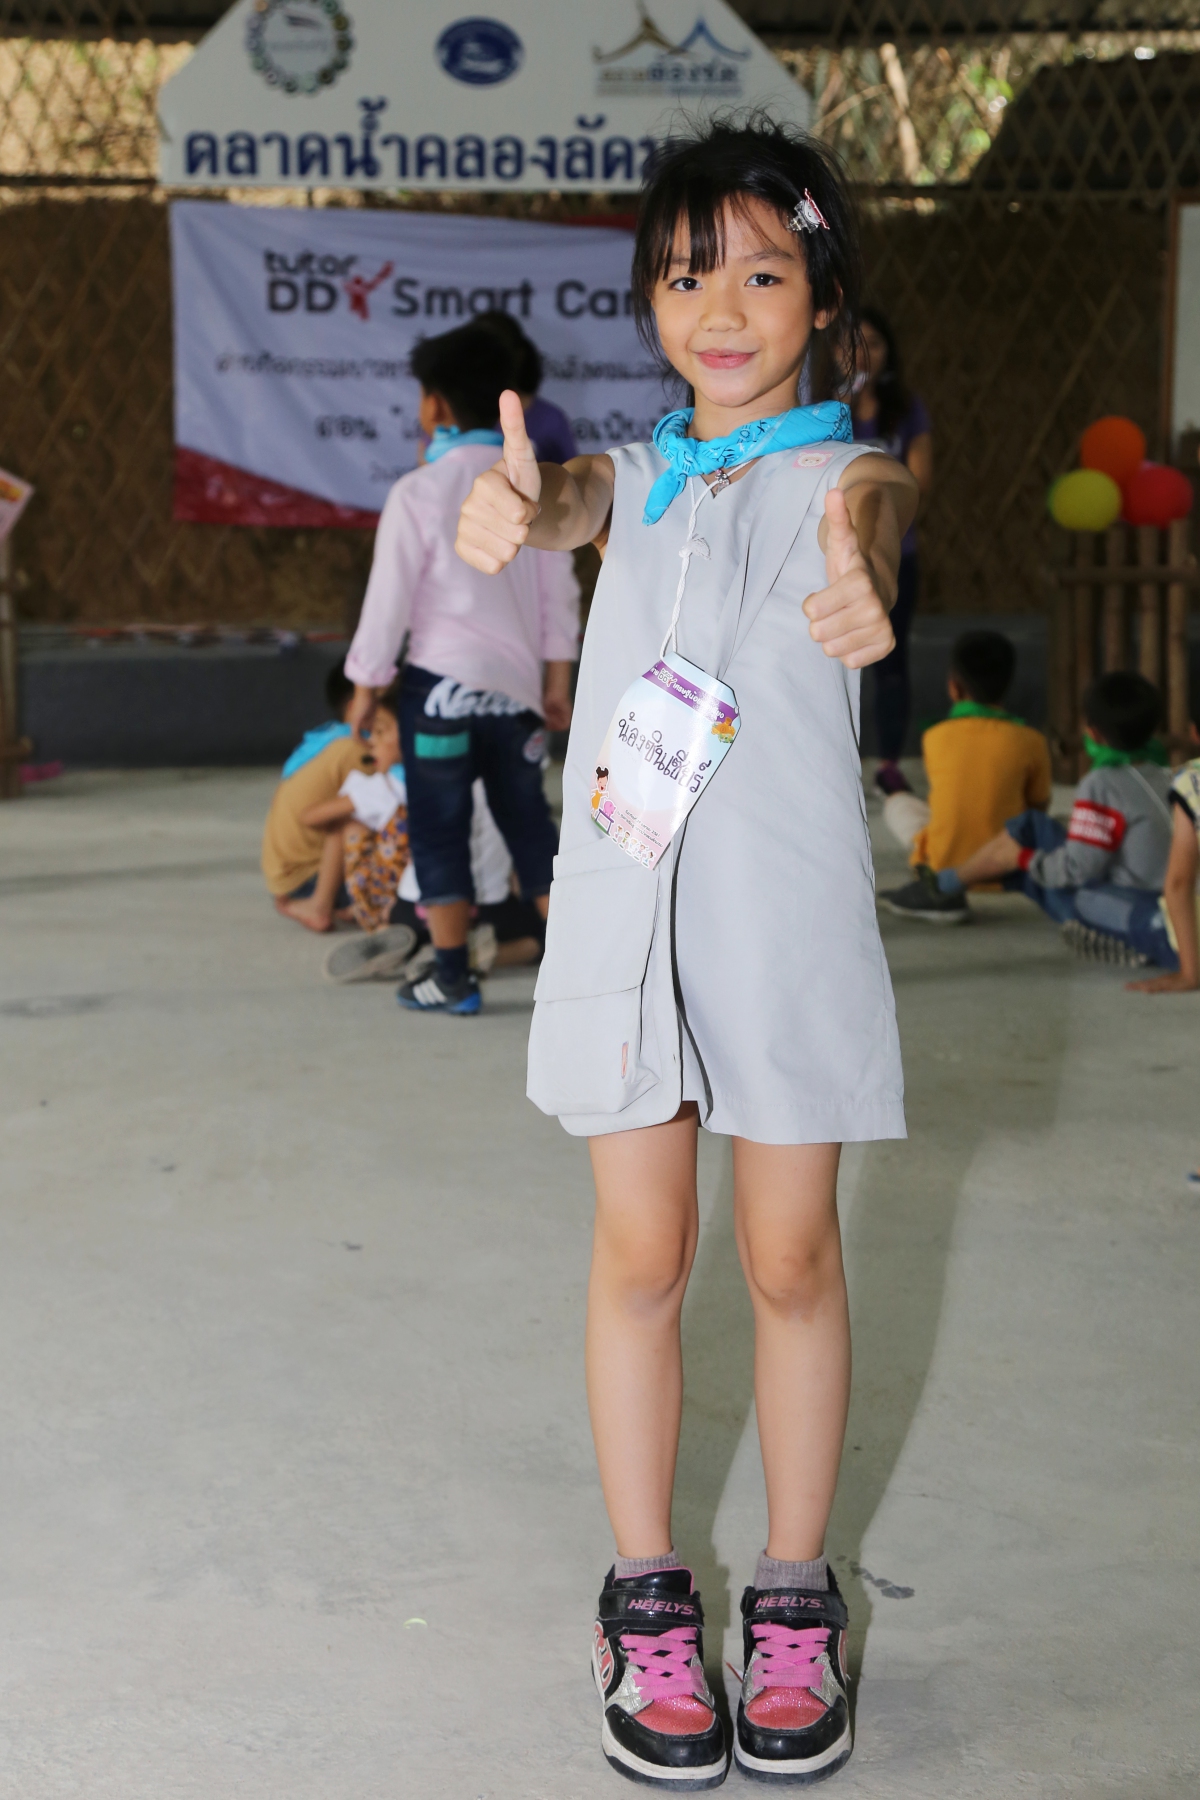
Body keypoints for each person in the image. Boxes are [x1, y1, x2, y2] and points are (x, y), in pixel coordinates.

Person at [457, 117, 917, 1787]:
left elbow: (876, 505)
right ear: (652, 301)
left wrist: (866, 568)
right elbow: (574, 497)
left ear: (825, 299)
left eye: (763, 275)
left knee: (790, 1259)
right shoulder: (633, 475)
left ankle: (795, 1595)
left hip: (782, 921)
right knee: (641, 1252)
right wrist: (529, 502)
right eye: (684, 276)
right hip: (627, 908)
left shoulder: (845, 473)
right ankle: (645, 1594)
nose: (720, 310)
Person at [344, 320, 580, 1015]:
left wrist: (365, 687)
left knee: (439, 829)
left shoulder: (418, 491)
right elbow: (558, 595)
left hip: (439, 695)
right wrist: (557, 683)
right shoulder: (531, 490)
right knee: (530, 827)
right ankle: (585, 975)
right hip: (516, 696)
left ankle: (452, 978)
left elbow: (387, 602)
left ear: (436, 404)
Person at [909, 672, 1174, 964]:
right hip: (1168, 902)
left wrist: (1022, 859)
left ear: (1093, 733)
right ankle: (945, 886)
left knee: (1025, 844)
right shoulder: (1167, 775)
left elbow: (1076, 870)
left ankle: (941, 888)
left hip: (1125, 907)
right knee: (1032, 826)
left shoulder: (1102, 784)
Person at [880, 629, 1052, 921]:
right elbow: (1038, 806)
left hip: (943, 865)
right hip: (1007, 865)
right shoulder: (1032, 740)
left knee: (898, 804)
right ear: (1007, 686)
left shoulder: (934, 737)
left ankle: (927, 871)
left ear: (954, 687)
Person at [851, 306, 932, 798]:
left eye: (875, 343)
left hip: (896, 555)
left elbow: (920, 481)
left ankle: (888, 764)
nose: (864, 353)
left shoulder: (906, 408)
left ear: (889, 352)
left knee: (890, 662)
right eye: (854, 342)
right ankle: (834, 764)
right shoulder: (820, 408)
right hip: (828, 557)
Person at [261, 661, 366, 931]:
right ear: (357, 706)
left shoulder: (328, 736)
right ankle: (325, 903)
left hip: (287, 878)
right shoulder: (356, 749)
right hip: (308, 878)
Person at [1127, 707, 1200, 995]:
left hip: (1195, 945)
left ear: (1194, 733)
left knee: (1092, 899)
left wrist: (1190, 974)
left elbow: (1179, 882)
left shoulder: (1192, 781)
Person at [474, 308, 578, 464]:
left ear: (519, 355)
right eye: (477, 354)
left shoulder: (551, 419)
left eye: (495, 353)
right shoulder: (454, 416)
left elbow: (573, 473)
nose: (486, 363)